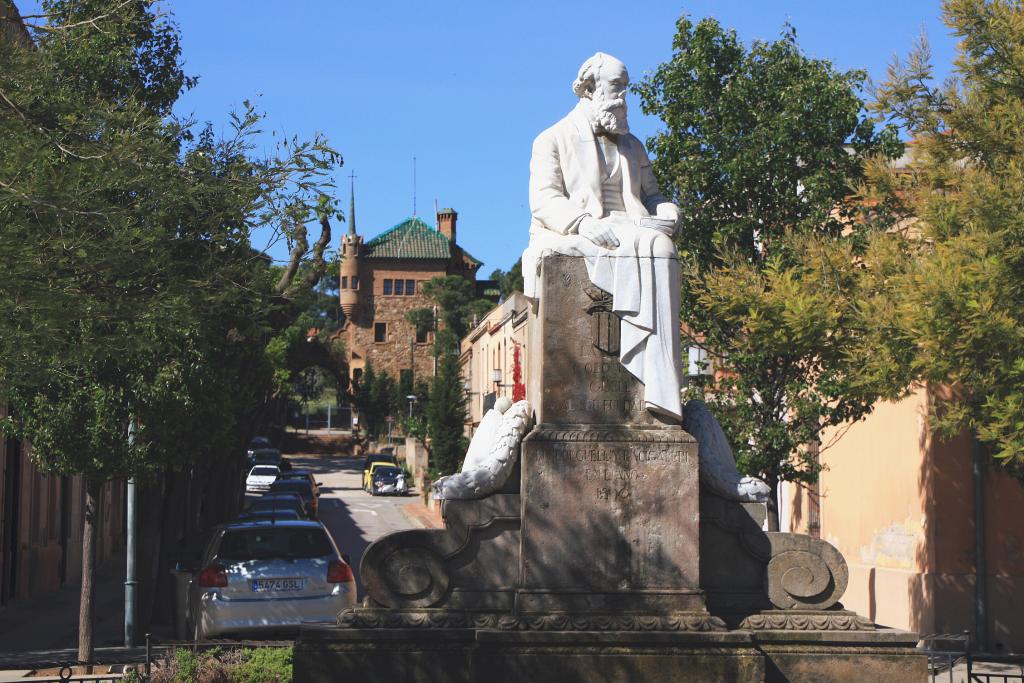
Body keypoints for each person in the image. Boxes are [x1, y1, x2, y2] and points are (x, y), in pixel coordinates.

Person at [523, 52, 683, 421]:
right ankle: (651, 376)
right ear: (591, 89)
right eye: (615, 88)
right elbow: (544, 200)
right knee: (653, 248)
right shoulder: (552, 139)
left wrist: (666, 210)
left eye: (625, 90)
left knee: (662, 247)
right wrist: (581, 223)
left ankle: (659, 386)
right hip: (583, 227)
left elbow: (652, 195)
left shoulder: (633, 146)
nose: (623, 99)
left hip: (631, 226)